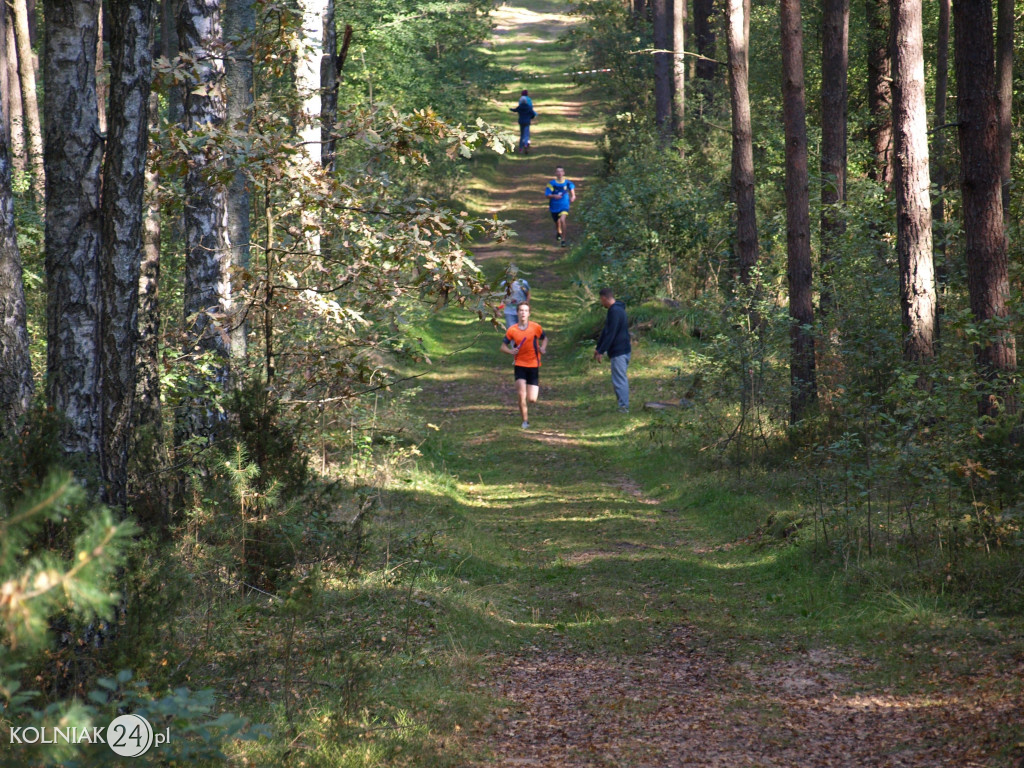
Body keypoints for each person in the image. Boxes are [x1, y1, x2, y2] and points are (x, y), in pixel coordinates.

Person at [501, 302, 548, 429]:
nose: (523, 313)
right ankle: (525, 421)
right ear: (517, 313)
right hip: (520, 364)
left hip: (533, 364)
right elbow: (503, 346)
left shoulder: (535, 327)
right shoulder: (512, 330)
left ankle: (527, 407)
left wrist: (542, 348)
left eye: (525, 310)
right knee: (521, 394)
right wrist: (511, 351)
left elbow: (545, 338)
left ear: (529, 313)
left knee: (532, 399)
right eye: (521, 310)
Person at [593, 287, 631, 413]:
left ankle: (624, 407)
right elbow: (606, 331)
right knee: (618, 378)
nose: (601, 302)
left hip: (620, 350)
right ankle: (622, 405)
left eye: (601, 299)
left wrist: (602, 351)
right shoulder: (616, 309)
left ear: (604, 298)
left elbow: (611, 333)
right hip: (621, 350)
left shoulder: (615, 311)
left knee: (620, 379)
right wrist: (599, 348)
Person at [544, 166, 576, 246]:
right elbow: (547, 195)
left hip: (564, 205)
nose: (559, 173)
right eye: (558, 171)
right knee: (557, 222)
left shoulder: (568, 183)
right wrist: (554, 196)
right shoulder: (552, 183)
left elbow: (572, 191)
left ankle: (563, 240)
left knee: (562, 220)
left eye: (561, 171)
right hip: (554, 205)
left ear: (564, 173)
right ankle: (559, 232)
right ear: (555, 173)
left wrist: (573, 196)